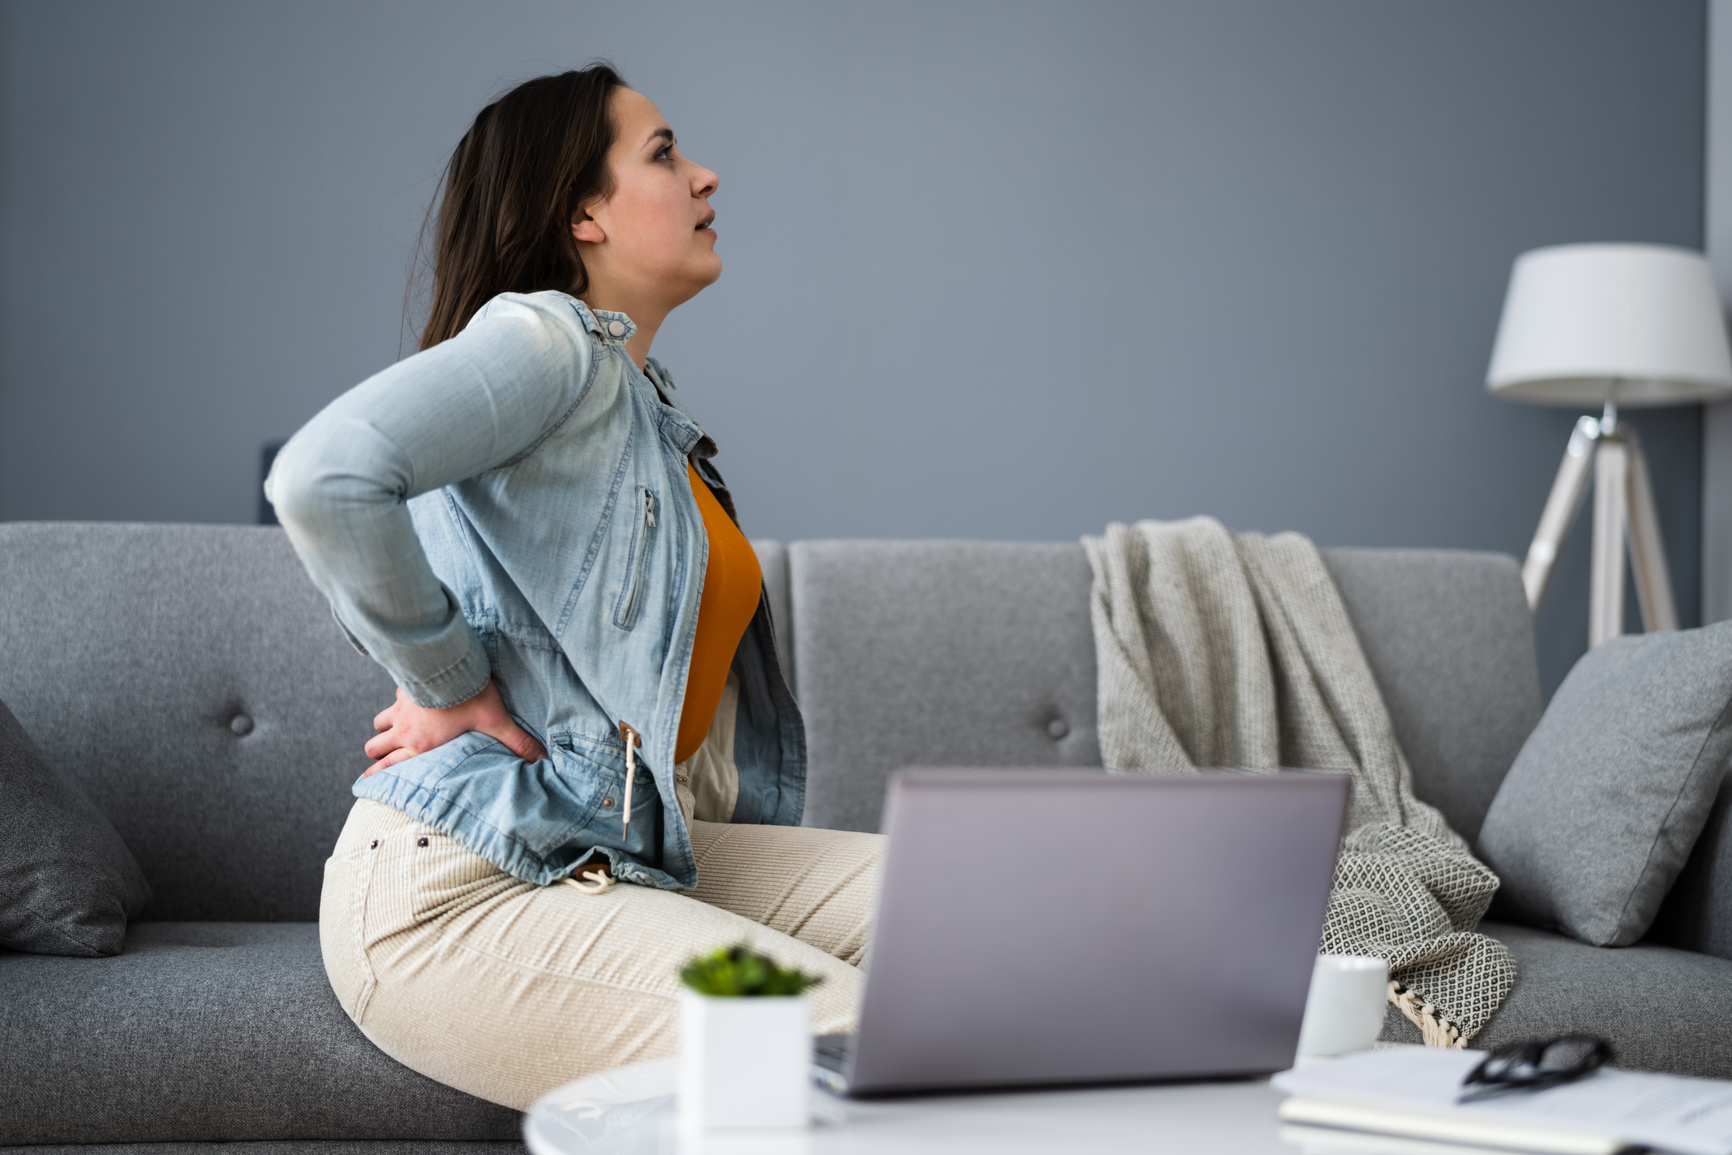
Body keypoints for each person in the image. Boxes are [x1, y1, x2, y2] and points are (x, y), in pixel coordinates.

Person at [265, 64, 882, 1111]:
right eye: (663, 155)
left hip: (604, 849)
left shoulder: (642, 402)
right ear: (580, 213)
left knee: (988, 915)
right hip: (459, 890)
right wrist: (448, 678)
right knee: (851, 1043)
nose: (704, 177)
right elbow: (324, 474)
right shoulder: (546, 341)